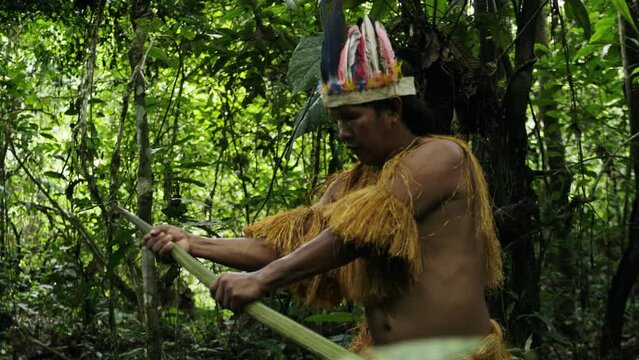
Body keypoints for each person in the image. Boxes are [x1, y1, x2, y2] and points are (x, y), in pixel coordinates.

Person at [144, 4, 510, 358]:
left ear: (393, 110)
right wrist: (194, 243)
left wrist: (263, 280)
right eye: (336, 121)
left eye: (352, 118)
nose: (343, 133)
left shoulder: (442, 156)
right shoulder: (350, 185)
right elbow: (286, 249)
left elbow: (356, 235)